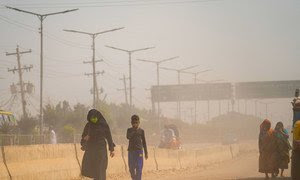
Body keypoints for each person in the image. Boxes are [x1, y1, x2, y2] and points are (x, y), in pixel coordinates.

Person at [80, 109, 115, 180]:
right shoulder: (88, 125)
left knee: (100, 168)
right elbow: (83, 137)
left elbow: (109, 137)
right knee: (93, 170)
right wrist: (85, 139)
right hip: (91, 151)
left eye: (94, 117)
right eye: (91, 117)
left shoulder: (103, 125)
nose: (93, 119)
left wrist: (112, 149)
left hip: (101, 150)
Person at [127, 115, 148, 180]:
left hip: (139, 151)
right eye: (133, 123)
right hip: (131, 151)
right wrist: (134, 130)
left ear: (139, 122)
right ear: (131, 123)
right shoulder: (129, 130)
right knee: (131, 168)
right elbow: (128, 137)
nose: (135, 124)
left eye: (136, 122)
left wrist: (146, 152)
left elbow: (144, 142)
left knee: (139, 167)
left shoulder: (141, 131)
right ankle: (134, 178)